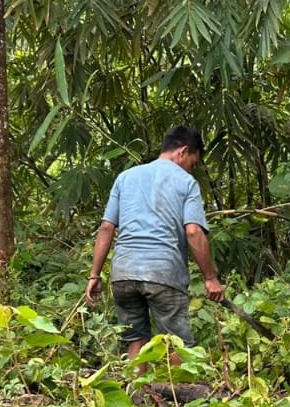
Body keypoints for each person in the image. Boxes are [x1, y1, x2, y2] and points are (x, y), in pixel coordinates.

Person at [85, 125, 224, 359]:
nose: (191, 168)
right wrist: (210, 278)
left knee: (135, 339)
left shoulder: (125, 177)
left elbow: (107, 227)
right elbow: (193, 232)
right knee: (176, 343)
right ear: (183, 151)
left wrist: (94, 275)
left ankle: (136, 383)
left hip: (124, 273)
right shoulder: (186, 182)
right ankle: (179, 384)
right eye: (193, 163)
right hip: (163, 273)